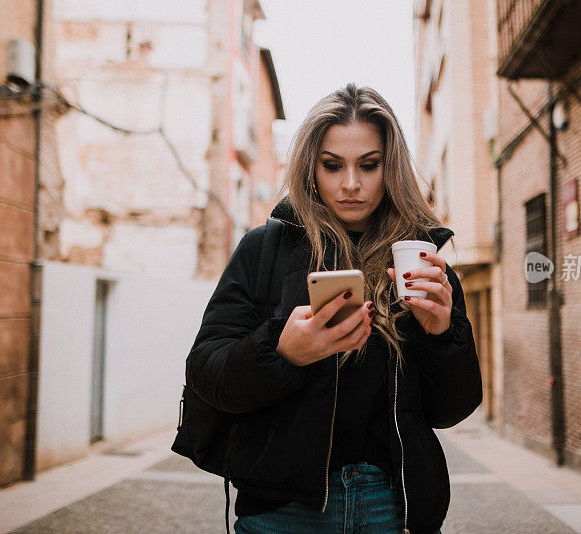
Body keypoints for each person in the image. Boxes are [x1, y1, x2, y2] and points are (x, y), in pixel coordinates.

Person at [186, 83, 482, 534]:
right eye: (332, 166)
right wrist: (282, 352)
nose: (350, 184)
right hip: (282, 509)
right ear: (310, 168)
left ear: (391, 167)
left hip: (392, 505)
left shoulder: (421, 260)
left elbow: (450, 410)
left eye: (369, 165)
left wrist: (442, 335)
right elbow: (207, 373)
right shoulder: (263, 249)